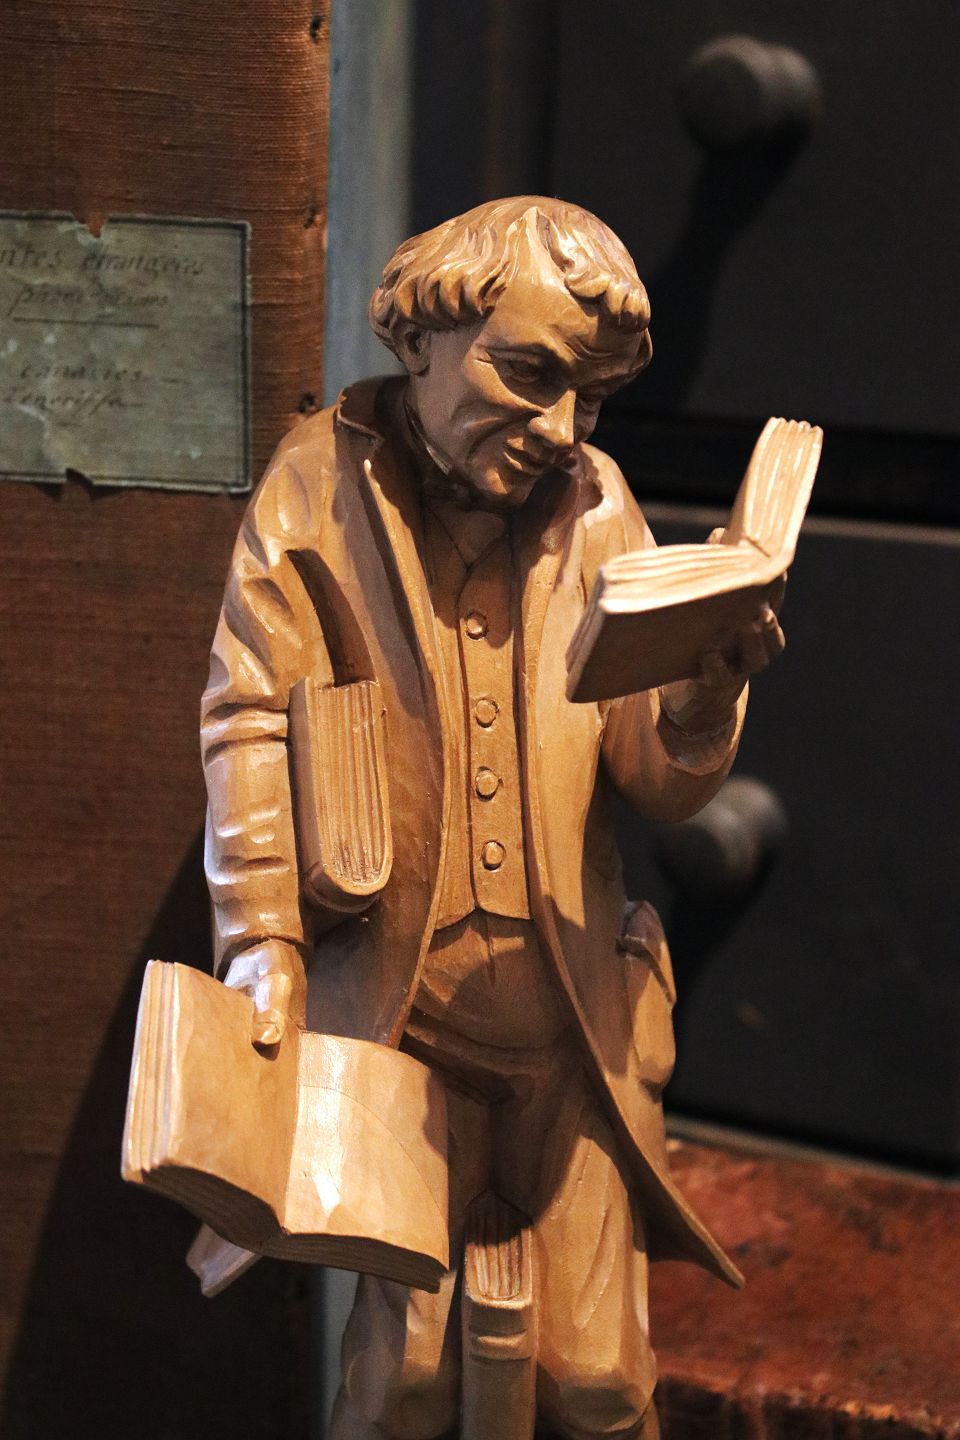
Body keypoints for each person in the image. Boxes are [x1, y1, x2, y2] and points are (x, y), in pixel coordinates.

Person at [201, 197, 784, 1439]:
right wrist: (262, 941)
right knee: (401, 1384)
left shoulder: (594, 504)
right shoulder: (315, 491)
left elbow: (654, 772)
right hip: (399, 1030)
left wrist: (703, 693)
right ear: (422, 337)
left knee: (599, 1381)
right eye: (528, 374)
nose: (559, 428)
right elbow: (245, 715)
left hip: (570, 1036)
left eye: (589, 399)